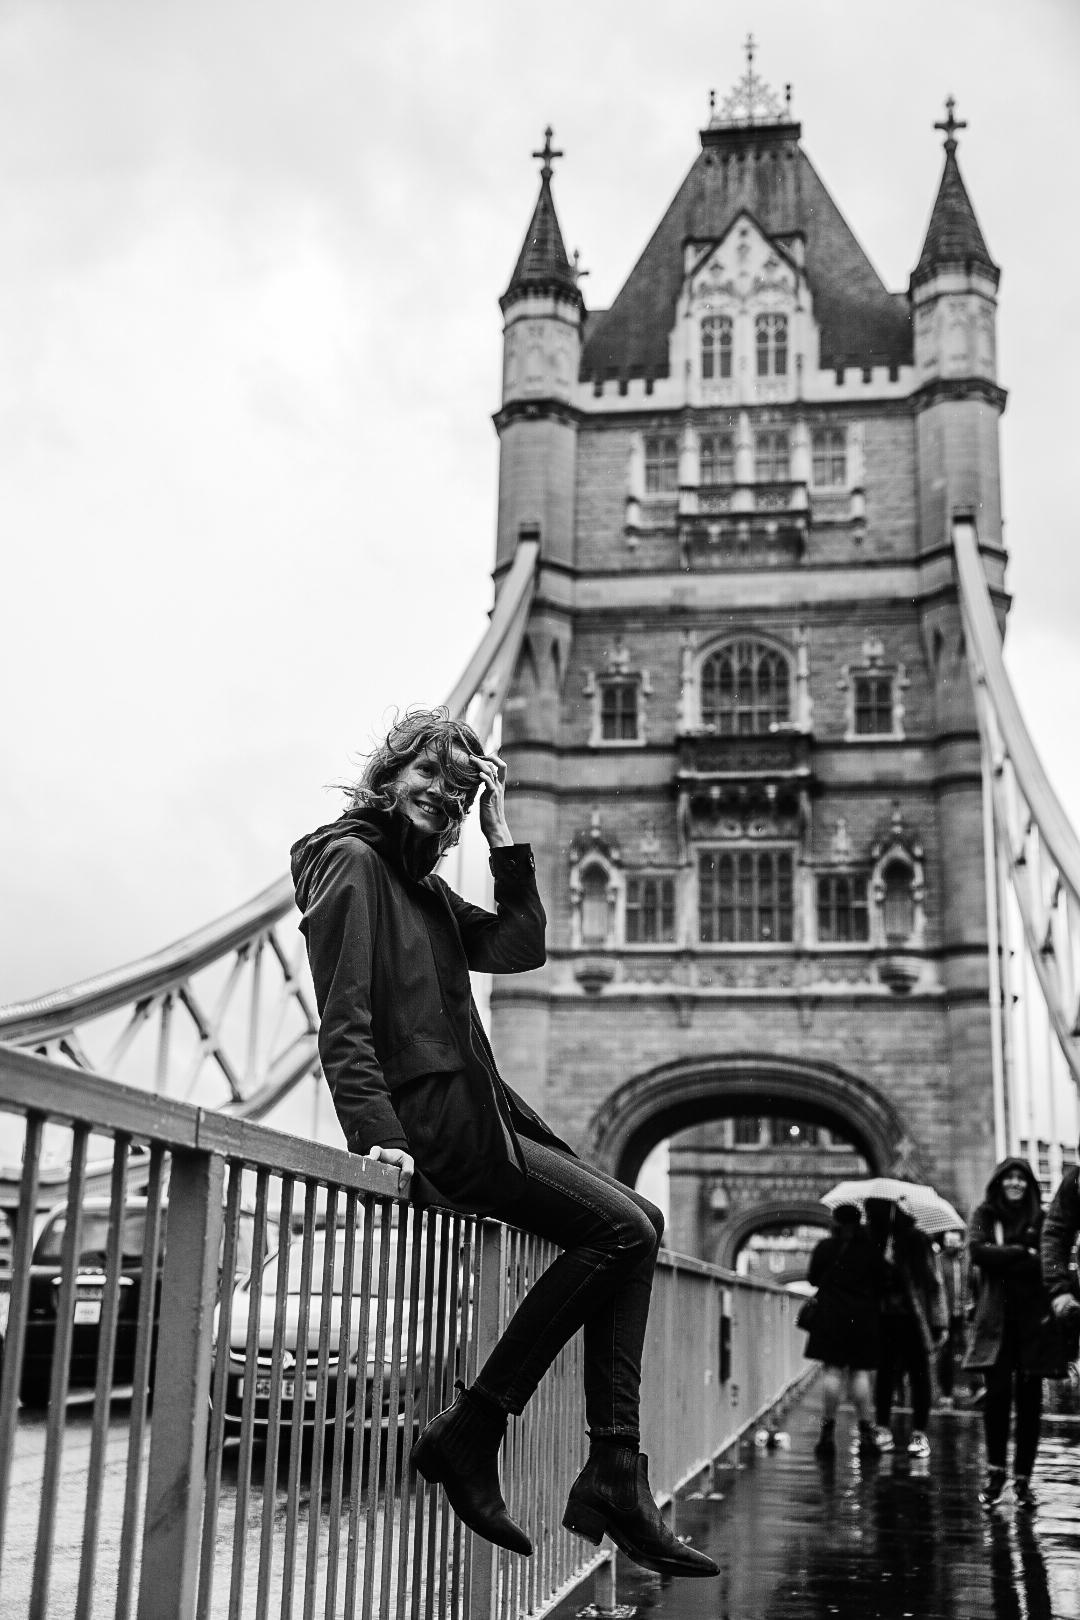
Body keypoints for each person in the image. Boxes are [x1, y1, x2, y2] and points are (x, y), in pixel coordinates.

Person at [290, 707, 717, 1579]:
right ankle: (493, 1430)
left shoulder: (421, 887)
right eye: (430, 779)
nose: (442, 799)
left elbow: (520, 947)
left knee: (637, 1216)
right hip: (437, 1121)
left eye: (457, 790)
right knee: (623, 1230)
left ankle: (610, 1467)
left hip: (477, 1109)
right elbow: (346, 1015)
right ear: (387, 775)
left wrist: (501, 835)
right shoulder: (353, 861)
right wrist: (375, 1133)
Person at [967, 1158, 1069, 1510]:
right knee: (996, 1397)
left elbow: (1047, 1258)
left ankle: (1023, 1479)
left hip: (1033, 1323)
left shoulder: (1040, 1218)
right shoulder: (984, 1214)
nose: (1015, 1184)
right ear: (999, 1182)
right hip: (996, 1322)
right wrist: (1021, 1252)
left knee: (1030, 1403)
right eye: (1009, 1178)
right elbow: (979, 1253)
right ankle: (996, 1473)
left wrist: (1008, 1257)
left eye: (1021, 1178)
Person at [865, 1198, 948, 1458]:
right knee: (885, 1375)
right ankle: (882, 1428)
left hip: (914, 1318)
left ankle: (919, 1433)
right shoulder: (873, 1241)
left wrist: (940, 1322)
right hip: (884, 1318)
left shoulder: (917, 1240)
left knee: (919, 1374)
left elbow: (934, 1283)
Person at [803, 1203, 887, 1457]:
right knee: (860, 1375)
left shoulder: (826, 1248)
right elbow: (881, 1283)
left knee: (833, 1372)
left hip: (831, 1315)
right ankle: (866, 1434)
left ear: (836, 1222)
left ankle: (827, 1435)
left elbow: (813, 1279)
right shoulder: (872, 1249)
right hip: (862, 1317)